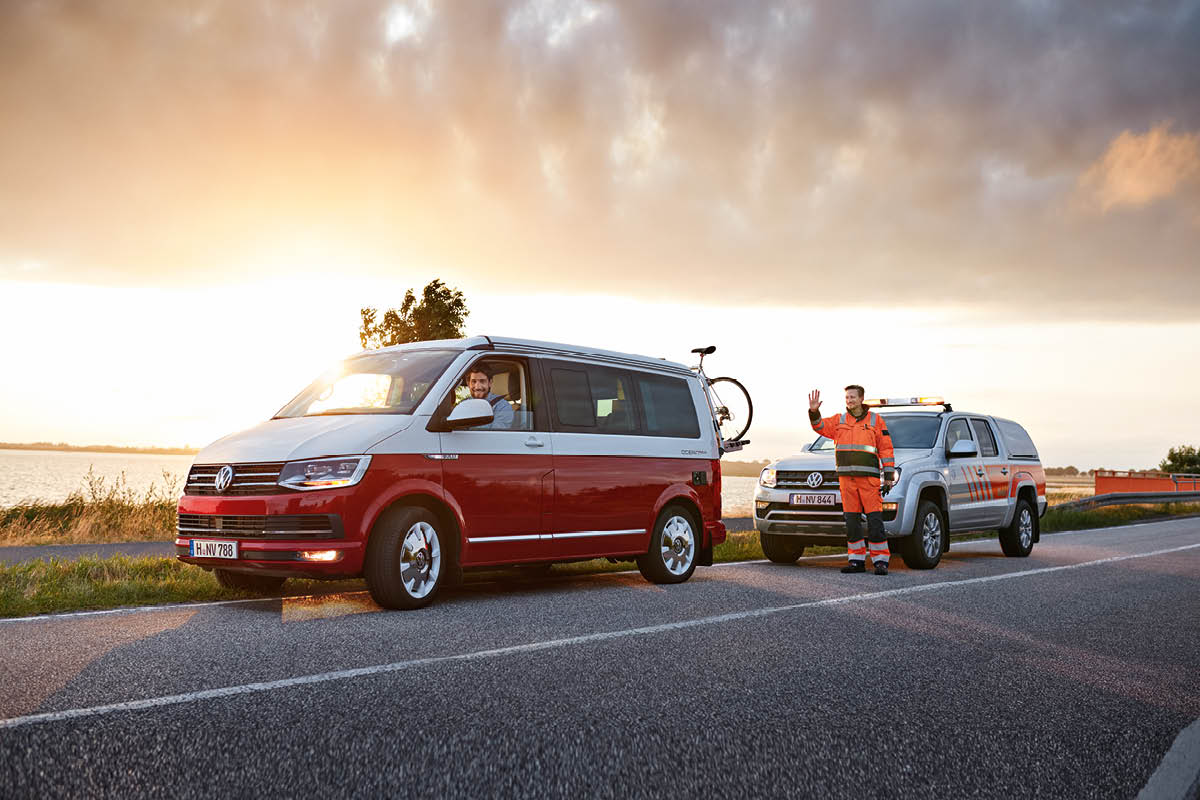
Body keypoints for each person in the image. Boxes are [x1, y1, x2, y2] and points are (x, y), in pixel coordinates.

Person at [808, 385, 896, 575]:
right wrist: (814, 411)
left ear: (861, 398)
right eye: (847, 397)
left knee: (874, 521)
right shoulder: (839, 420)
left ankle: (880, 561)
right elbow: (820, 426)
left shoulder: (875, 420)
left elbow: (886, 449)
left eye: (853, 397)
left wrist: (888, 476)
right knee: (852, 522)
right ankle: (856, 560)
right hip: (847, 480)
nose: (849, 400)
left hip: (869, 480)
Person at [462, 366, 514, 430]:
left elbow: (496, 434)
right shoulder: (463, 404)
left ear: (490, 383)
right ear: (468, 383)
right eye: (474, 381)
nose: (478, 387)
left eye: (482, 381)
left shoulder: (503, 406)